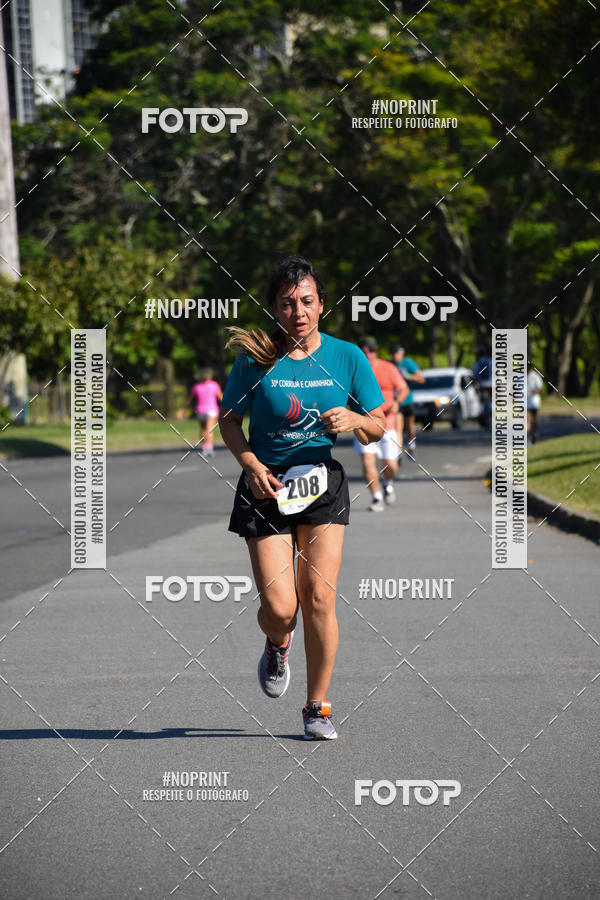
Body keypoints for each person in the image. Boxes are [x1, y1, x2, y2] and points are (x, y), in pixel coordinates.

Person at [218, 256, 386, 740]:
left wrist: (356, 422)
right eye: (288, 303)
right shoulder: (255, 358)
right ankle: (276, 641)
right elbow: (228, 420)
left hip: (320, 485)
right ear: (274, 307)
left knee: (319, 598)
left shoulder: (347, 356)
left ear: (322, 304)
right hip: (265, 486)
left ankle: (318, 706)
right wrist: (250, 464)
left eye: (307, 301)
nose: (298, 311)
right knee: (282, 607)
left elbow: (377, 426)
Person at [354, 337, 408, 511]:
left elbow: (403, 388)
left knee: (390, 465)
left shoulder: (388, 368)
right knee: (368, 462)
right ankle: (377, 498)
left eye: (370, 350)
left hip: (387, 423)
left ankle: (387, 481)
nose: (367, 353)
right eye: (363, 350)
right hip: (362, 422)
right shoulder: (354, 370)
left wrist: (397, 402)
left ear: (375, 351)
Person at [392, 345, 425, 460]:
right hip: (396, 401)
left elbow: (421, 379)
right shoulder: (390, 365)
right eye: (393, 354)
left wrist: (407, 376)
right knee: (398, 427)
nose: (395, 356)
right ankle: (398, 451)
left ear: (402, 354)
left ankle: (411, 447)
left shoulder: (408, 363)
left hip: (408, 400)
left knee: (410, 425)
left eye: (397, 354)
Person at [180, 368, 222, 456]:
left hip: (200, 410)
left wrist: (182, 409)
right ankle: (209, 448)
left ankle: (204, 447)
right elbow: (220, 398)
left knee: (203, 430)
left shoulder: (196, 386)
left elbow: (189, 399)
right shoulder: (214, 385)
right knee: (210, 430)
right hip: (212, 410)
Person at [527, 367, 543, 444]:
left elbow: (540, 388)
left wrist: (532, 391)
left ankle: (535, 433)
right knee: (526, 419)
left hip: (534, 401)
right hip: (524, 401)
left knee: (534, 419)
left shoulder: (535, 376)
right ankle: (527, 437)